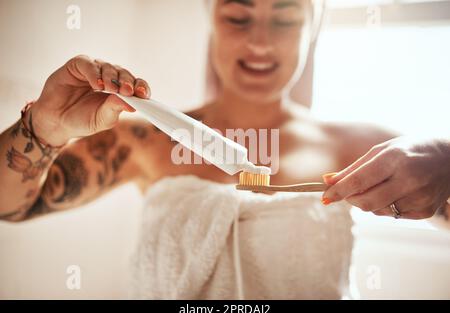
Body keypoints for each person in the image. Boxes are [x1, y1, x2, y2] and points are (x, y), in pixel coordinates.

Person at [0, 0, 449, 225]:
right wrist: (44, 128)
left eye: (286, 18)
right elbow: (11, 209)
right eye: (238, 16)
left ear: (313, 27)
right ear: (211, 17)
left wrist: (445, 160)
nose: (259, 43)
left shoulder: (361, 148)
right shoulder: (140, 140)